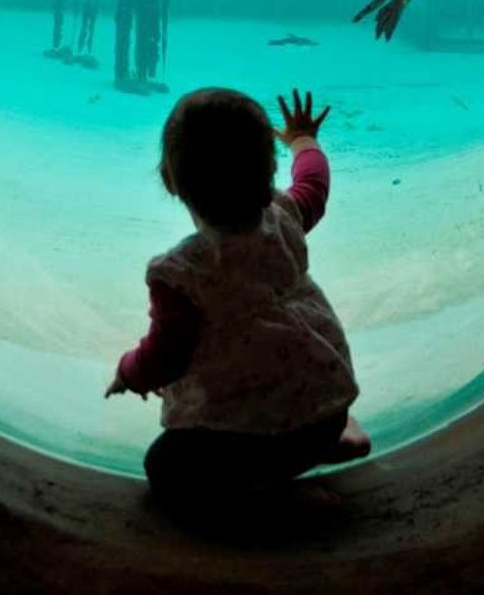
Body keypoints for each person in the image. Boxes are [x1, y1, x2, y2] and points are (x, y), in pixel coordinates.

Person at [105, 86, 370, 513]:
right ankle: (331, 440)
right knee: (300, 423)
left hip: (247, 443)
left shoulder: (182, 275)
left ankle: (275, 499)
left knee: (164, 468)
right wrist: (303, 139)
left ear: (170, 181)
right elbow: (314, 184)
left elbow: (166, 356)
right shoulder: (285, 217)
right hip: (326, 414)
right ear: (269, 175)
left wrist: (128, 373)